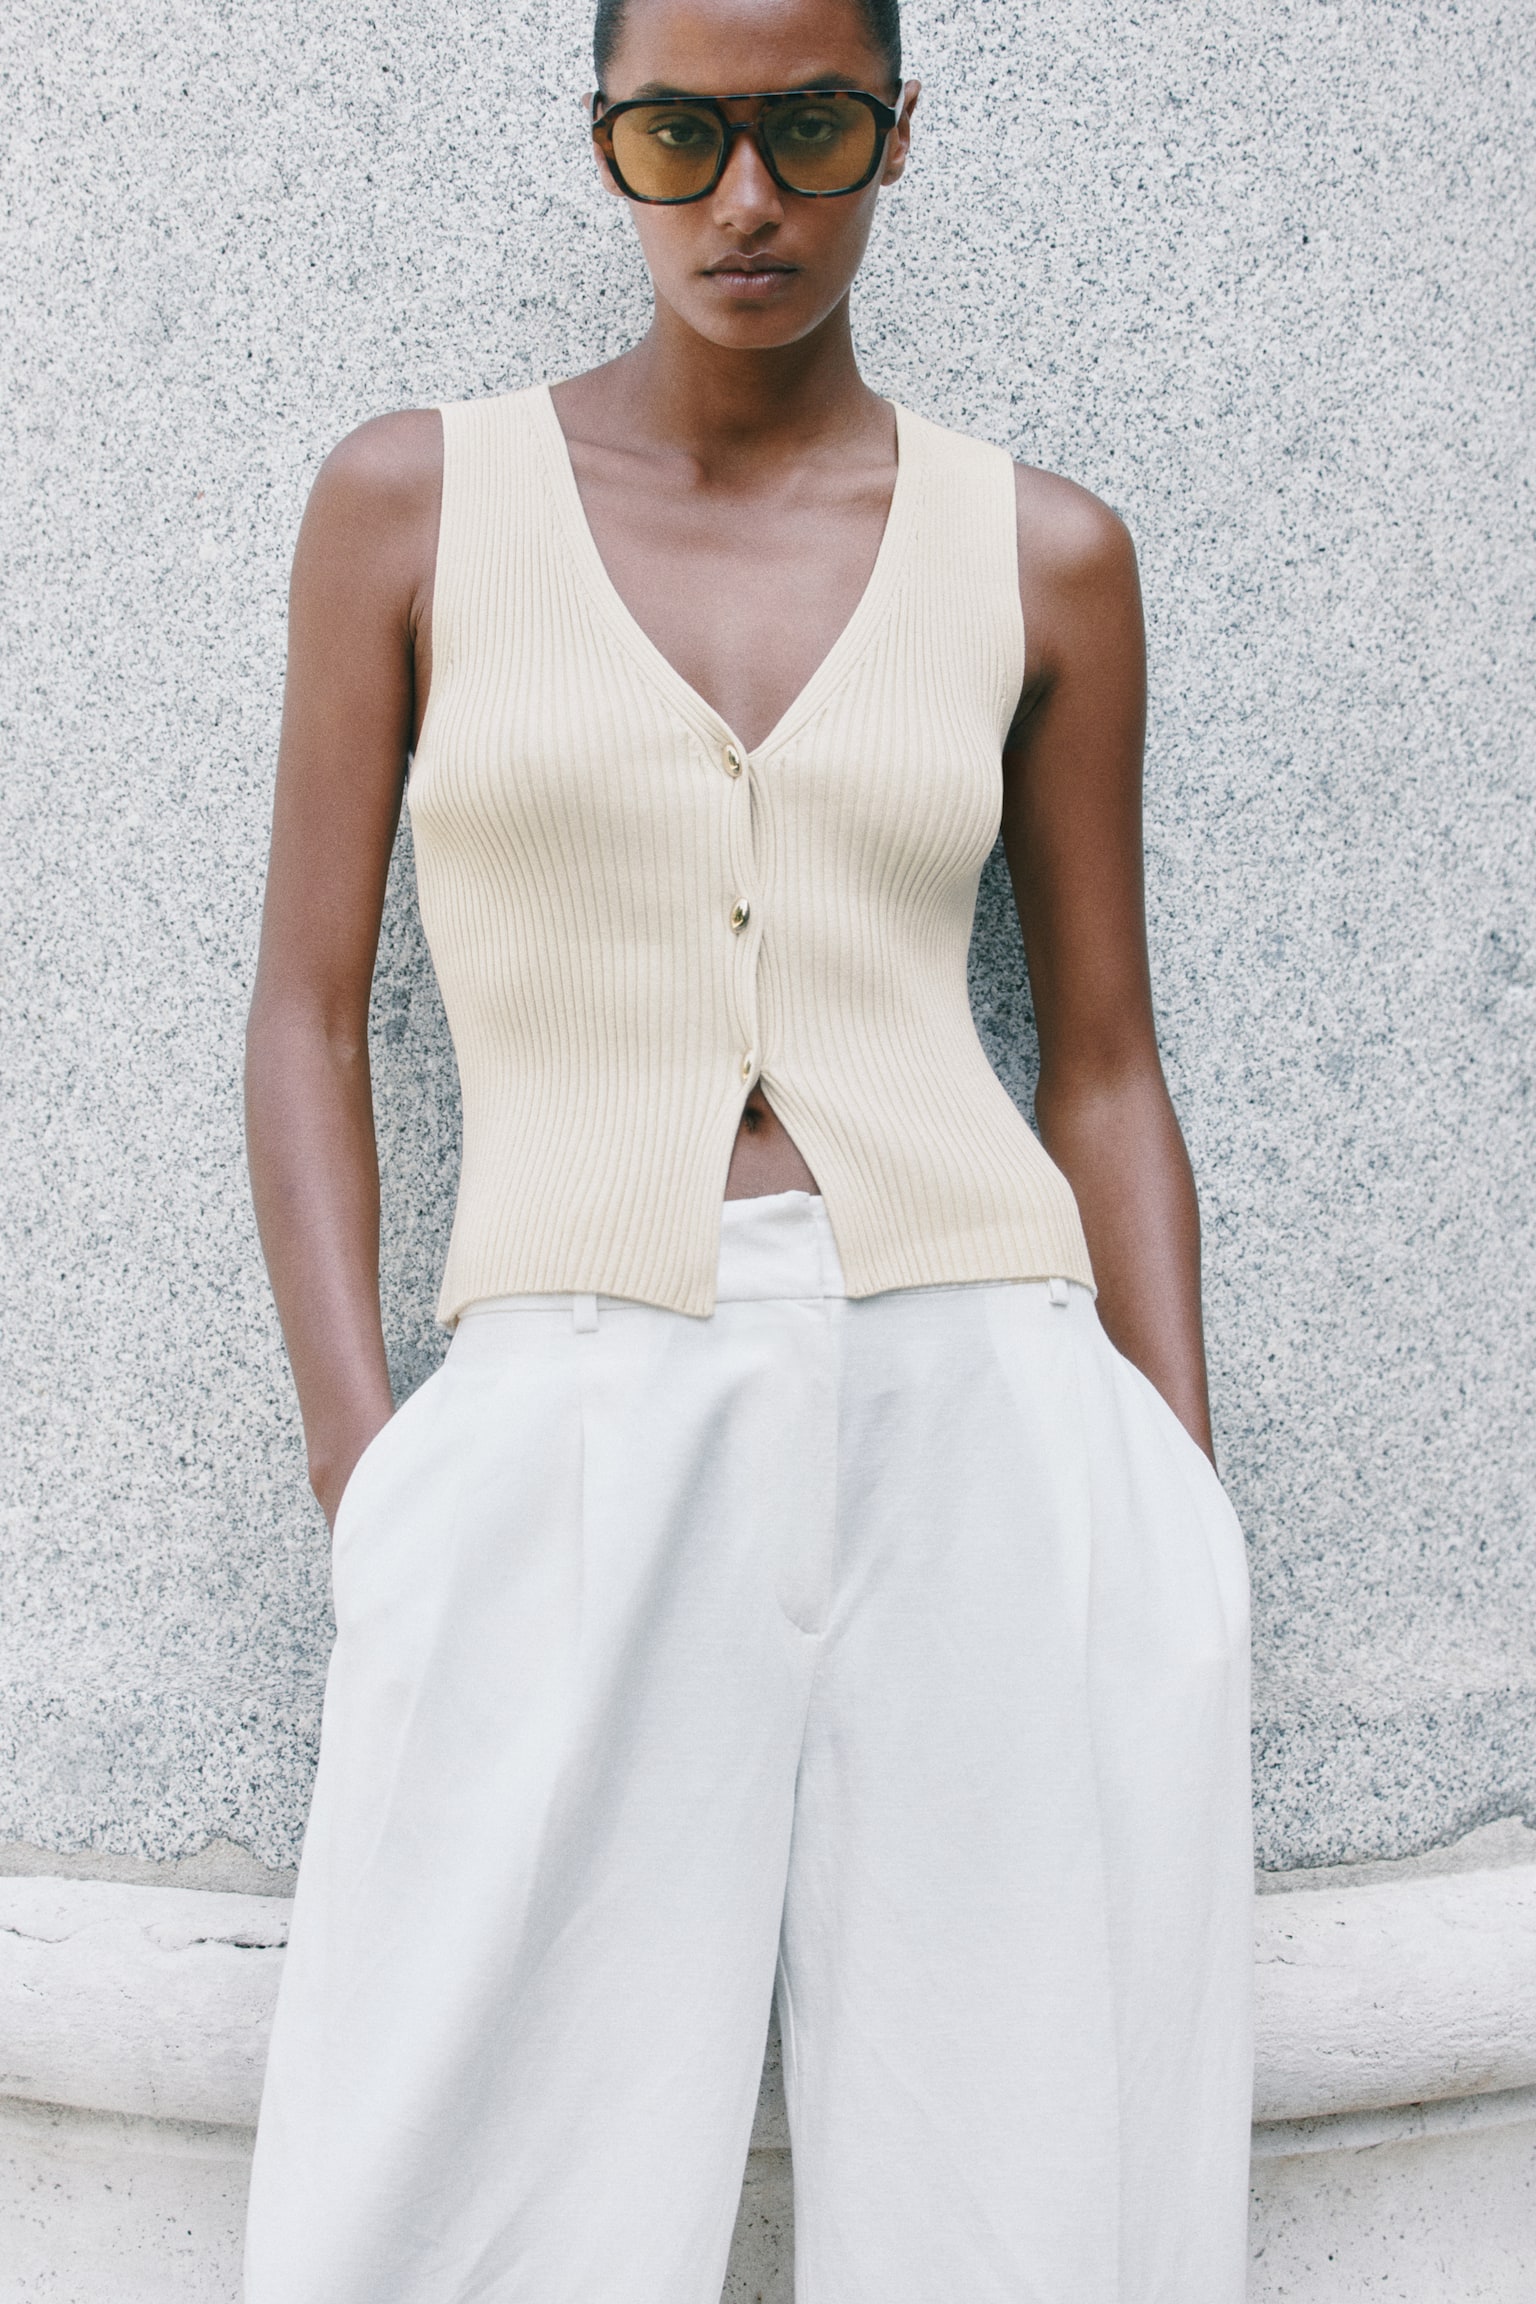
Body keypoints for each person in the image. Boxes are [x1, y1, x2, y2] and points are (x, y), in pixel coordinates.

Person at [241, 0, 1253, 2296]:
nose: (748, 198)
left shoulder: (1048, 553)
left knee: (1026, 2184)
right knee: (451, 2185)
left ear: (899, 129)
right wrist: (371, 1469)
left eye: (810, 127)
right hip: (573, 1395)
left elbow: (1104, 1064)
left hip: (991, 1401)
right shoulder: (412, 504)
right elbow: (303, 1013)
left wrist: (1179, 1502)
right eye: (678, 136)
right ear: (601, 134)